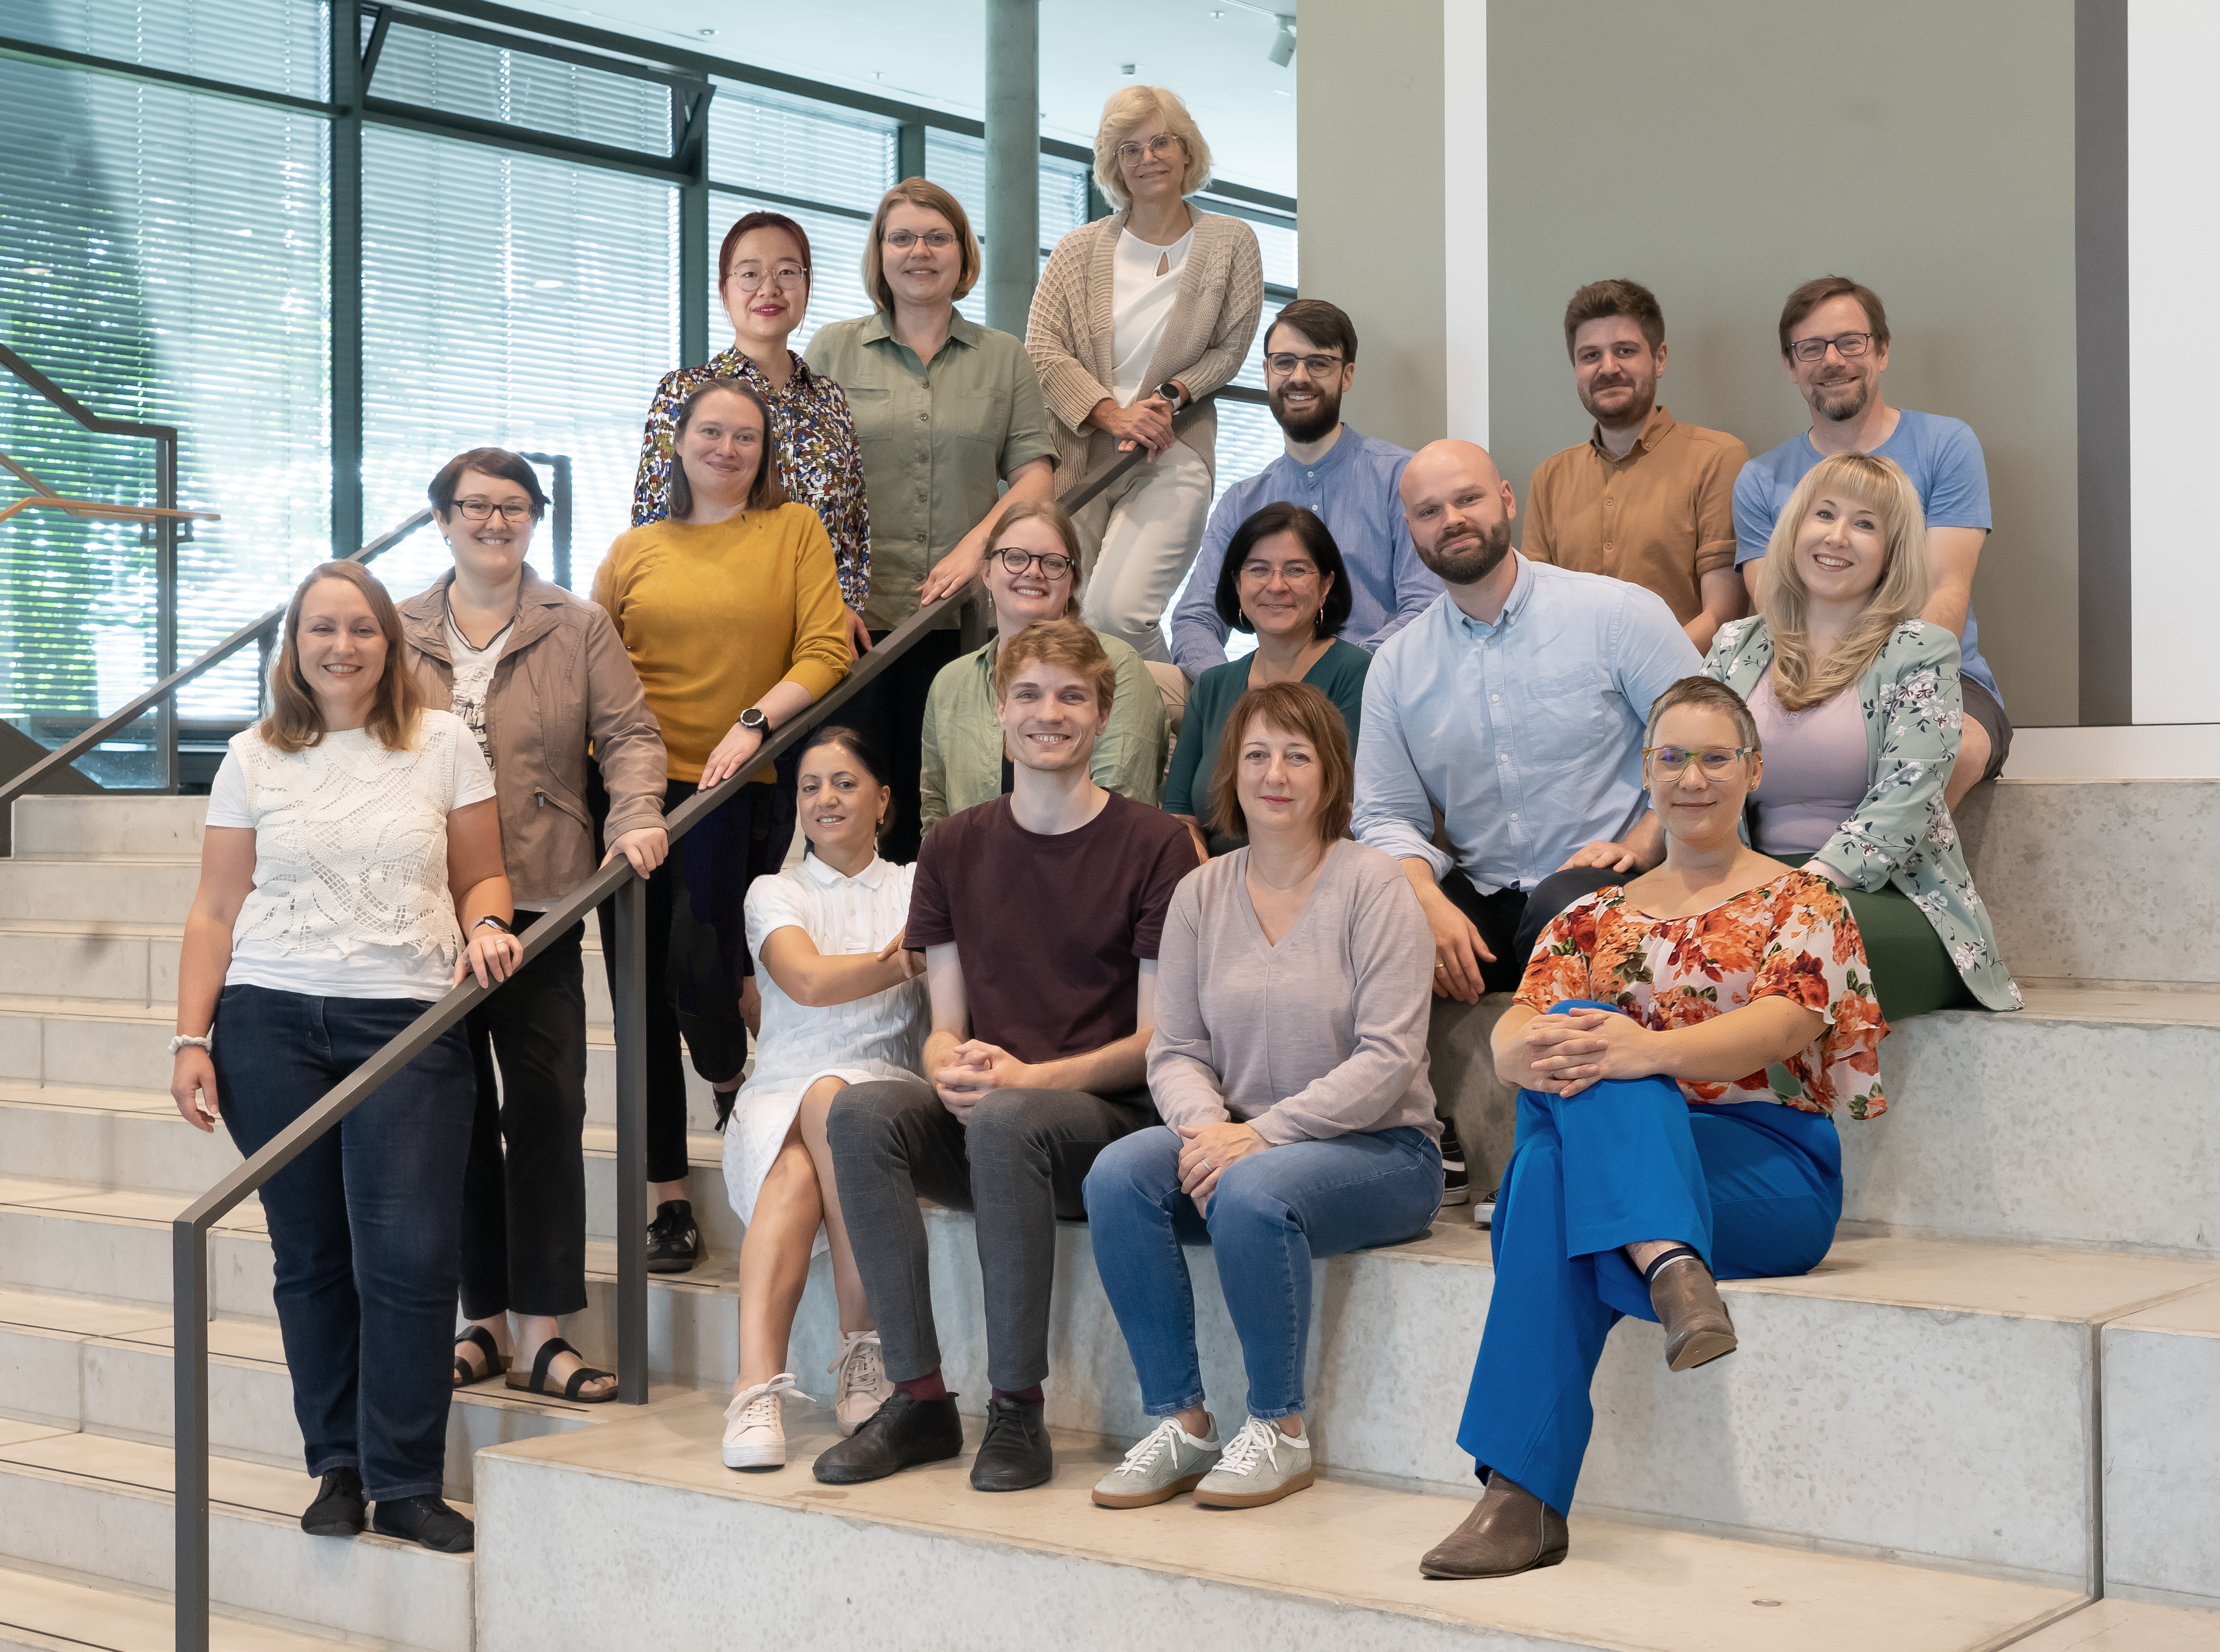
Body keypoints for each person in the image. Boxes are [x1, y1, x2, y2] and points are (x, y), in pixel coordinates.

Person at [1419, 676, 1887, 1581]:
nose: (1693, 777)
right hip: (1628, 1173)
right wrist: (1532, 1053)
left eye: (1716, 757)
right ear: (1646, 771)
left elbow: (1785, 1025)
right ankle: (1670, 1265)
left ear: (1753, 770)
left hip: (1765, 1172)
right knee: (1565, 1111)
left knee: (1564, 1147)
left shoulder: (1803, 902)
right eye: (1672, 757)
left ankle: (1522, 1494)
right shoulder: (1589, 915)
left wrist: (1648, 1051)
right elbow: (1517, 1033)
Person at [168, 561, 525, 1556]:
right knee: (312, 1255)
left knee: (410, 1255)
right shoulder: (252, 756)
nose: (342, 646)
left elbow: (484, 875)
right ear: (294, 647)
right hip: (267, 1025)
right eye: (321, 629)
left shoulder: (443, 742)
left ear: (390, 643)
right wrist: (191, 1037)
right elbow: (215, 908)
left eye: (362, 628)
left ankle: (406, 1481)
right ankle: (337, 1465)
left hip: (408, 1022)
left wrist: (487, 924)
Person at [814, 620, 1198, 1494]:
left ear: (1102, 715)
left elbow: (1156, 1043)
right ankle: (919, 1398)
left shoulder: (1154, 845)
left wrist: (1026, 1081)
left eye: (1071, 696)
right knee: (861, 1109)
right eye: (1028, 694)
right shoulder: (954, 844)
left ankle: (1017, 1408)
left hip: (1103, 1130)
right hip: (995, 1119)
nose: (1047, 713)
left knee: (1008, 1119)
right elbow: (944, 1024)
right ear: (999, 710)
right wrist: (947, 1065)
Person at [1085, 682, 1443, 1513]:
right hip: (1240, 1141)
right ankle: (1183, 1422)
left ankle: (1280, 1429)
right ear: (1230, 772)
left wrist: (1260, 1137)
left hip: (1384, 1152)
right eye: (1256, 754)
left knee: (1252, 1187)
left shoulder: (1376, 885)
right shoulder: (1200, 893)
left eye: (1297, 755)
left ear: (1331, 774)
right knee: (1117, 1174)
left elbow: (1389, 1058)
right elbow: (1176, 1048)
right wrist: (1212, 1129)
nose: (1274, 774)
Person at [399, 448, 667, 1407]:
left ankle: (545, 1332)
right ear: (443, 519)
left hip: (544, 900)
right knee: (455, 1114)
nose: (495, 521)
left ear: (534, 519)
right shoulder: (398, 628)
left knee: (548, 1105)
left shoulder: (577, 623)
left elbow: (630, 735)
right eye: (475, 505)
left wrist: (636, 816)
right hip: (428, 904)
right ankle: (484, 1320)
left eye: (514, 506)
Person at [593, 379, 851, 1274]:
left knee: (703, 973)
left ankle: (733, 1080)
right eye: (711, 431)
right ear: (679, 442)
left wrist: (753, 724)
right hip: (630, 788)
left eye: (746, 436)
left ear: (765, 450)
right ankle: (667, 1195)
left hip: (737, 784)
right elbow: (593, 665)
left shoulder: (793, 531)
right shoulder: (635, 549)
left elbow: (825, 648)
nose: (727, 448)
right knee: (638, 999)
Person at [1355, 440, 1703, 1006]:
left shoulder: (1617, 615)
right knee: (1384, 916)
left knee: (1562, 909)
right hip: (1485, 894)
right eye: (1430, 511)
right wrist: (1422, 895)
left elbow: (1709, 745)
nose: (1452, 520)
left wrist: (1647, 838)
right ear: (1411, 529)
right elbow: (1384, 814)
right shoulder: (1396, 666)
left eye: (1469, 499)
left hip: (1618, 879)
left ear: (1507, 500)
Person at [1709, 452, 2019, 1018]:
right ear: (1795, 528)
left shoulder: (1921, 650)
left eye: (1866, 524)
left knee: (1783, 939)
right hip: (1757, 889)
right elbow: (1692, 768)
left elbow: (1909, 797)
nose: (1838, 536)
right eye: (1825, 514)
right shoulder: (1735, 646)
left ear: (1892, 552)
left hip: (1890, 899)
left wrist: (1797, 887)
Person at [806, 179, 1058, 862]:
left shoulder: (1003, 356)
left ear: (963, 253)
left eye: (937, 238)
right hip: (853, 624)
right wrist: (824, 595)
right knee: (851, 809)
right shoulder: (832, 350)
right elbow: (802, 488)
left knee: (944, 811)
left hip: (962, 625)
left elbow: (1036, 475)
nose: (920, 251)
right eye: (903, 238)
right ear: (880, 254)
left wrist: (978, 548)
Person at [718, 726, 930, 1472]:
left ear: (883, 800)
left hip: (890, 1086)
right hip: (781, 1090)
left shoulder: (917, 883)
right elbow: (806, 981)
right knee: (804, 1142)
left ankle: (769, 1380)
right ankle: (840, 1357)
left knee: (834, 1101)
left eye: (844, 782)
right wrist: (906, 958)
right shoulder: (774, 891)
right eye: (810, 786)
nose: (825, 798)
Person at [1733, 276, 2008, 809]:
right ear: (1791, 366)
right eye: (1811, 348)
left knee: (1953, 752)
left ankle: (1870, 866)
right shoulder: (1760, 480)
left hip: (1942, 680)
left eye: (1850, 342)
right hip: (1807, 683)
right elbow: (1777, 611)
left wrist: (1878, 696)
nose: (1832, 360)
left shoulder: (1946, 445)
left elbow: (1946, 592)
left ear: (1882, 351)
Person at [1027, 85, 1264, 665]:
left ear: (1186, 150)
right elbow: (1042, 349)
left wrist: (1169, 397)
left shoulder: (1231, 242)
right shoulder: (1077, 249)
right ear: (1114, 165)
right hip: (1081, 456)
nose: (1147, 158)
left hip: (1171, 449)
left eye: (1161, 143)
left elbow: (1231, 347)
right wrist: (1111, 414)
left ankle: (1180, 704)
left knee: (1117, 614)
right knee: (1065, 624)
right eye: (1129, 149)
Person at [632, 209, 872, 656]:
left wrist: (845, 603)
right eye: (749, 274)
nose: (769, 288)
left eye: (787, 272)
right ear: (724, 291)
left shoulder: (829, 398)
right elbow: (653, 517)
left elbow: (854, 523)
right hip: (715, 630)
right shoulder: (684, 391)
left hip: (822, 635)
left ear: (807, 285)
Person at [1169, 299, 1440, 682]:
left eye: (1319, 363)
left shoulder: (1402, 479)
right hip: (1264, 697)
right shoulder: (1241, 502)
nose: (1299, 377)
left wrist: (1333, 678)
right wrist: (1234, 689)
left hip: (1377, 688)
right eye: (1284, 362)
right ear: (1267, 373)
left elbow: (1426, 608)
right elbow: (1196, 618)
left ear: (1347, 376)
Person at [1522, 279, 1750, 654]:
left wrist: (1635, 676)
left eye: (1625, 351)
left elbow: (1723, 614)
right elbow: (1537, 613)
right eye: (1590, 356)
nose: (1608, 368)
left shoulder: (1718, 458)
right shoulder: (1549, 478)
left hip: (1684, 684)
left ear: (1659, 359)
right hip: (1576, 685)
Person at [918, 498, 1167, 831]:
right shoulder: (950, 682)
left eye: (1052, 563)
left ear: (1073, 582)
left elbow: (1121, 814)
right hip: (972, 864)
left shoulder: (1117, 665)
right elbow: (936, 813)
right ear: (987, 573)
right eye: (1015, 558)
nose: (1033, 572)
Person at [1164, 503, 1369, 861]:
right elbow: (1181, 817)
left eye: (1296, 570)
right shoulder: (1212, 686)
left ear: (1326, 585)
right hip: (1213, 878)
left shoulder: (1358, 675)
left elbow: (1350, 817)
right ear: (1237, 583)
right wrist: (1208, 878)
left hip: (1316, 877)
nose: (1276, 586)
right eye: (1259, 569)